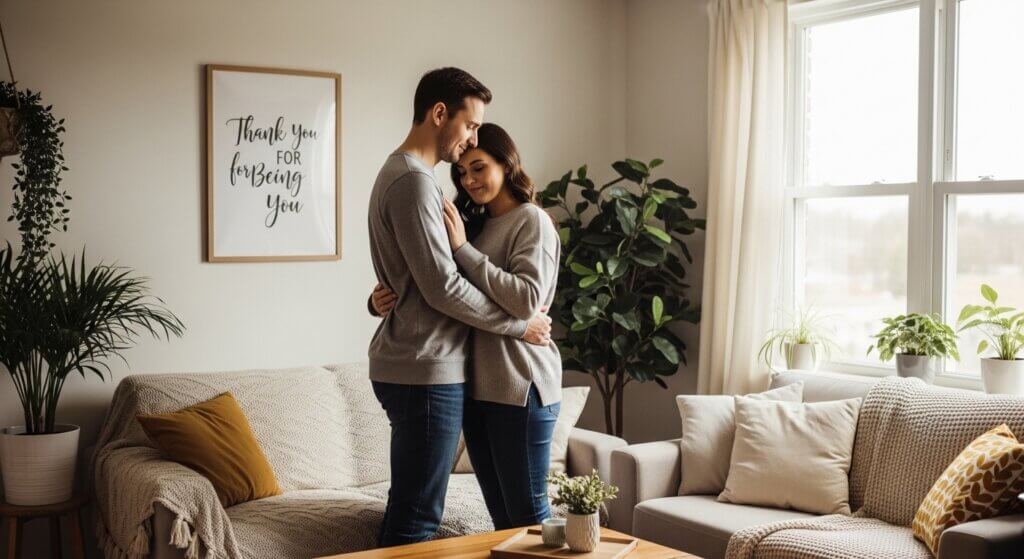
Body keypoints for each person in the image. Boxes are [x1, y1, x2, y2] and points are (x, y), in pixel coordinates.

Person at [365, 67, 552, 547]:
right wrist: (518, 326)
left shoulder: (413, 180)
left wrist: (383, 297)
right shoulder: (413, 181)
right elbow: (442, 287)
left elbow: (421, 276)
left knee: (439, 516)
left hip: (441, 369)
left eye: (479, 158)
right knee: (417, 520)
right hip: (425, 367)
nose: (469, 143)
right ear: (439, 113)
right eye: (469, 126)